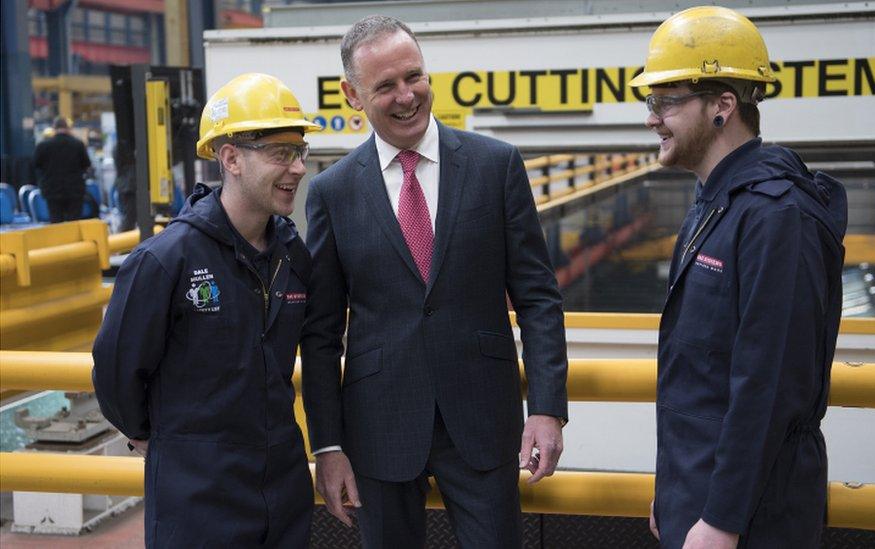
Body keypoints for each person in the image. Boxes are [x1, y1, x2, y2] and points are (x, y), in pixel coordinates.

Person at [302, 15, 568, 548]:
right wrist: (327, 445)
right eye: (386, 86)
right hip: (378, 428)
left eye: (414, 77)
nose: (407, 96)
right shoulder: (332, 191)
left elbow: (538, 298)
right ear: (351, 95)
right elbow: (321, 332)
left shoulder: (497, 166)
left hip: (483, 420)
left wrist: (545, 408)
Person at [628, 7, 847, 548]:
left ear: (723, 106)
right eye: (651, 102)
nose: (653, 118)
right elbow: (698, 376)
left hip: (751, 518)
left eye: (667, 101)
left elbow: (767, 383)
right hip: (698, 498)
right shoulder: (716, 204)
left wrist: (722, 518)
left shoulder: (778, 217)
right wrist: (675, 490)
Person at [92, 73, 322, 547]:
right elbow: (116, 374)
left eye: (299, 152)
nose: (298, 168)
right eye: (280, 153)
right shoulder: (165, 261)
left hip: (282, 492)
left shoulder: (293, 258)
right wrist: (163, 446)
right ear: (230, 158)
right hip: (196, 500)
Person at [32, 116, 91, 222]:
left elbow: (36, 164)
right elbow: (86, 164)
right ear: (67, 128)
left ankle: (59, 239)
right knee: (74, 222)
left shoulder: (43, 145)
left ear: (54, 128)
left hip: (52, 189)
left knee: (56, 221)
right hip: (74, 190)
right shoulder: (78, 144)